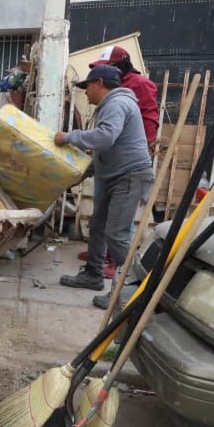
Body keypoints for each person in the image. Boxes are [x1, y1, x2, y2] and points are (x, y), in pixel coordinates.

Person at [55, 65, 153, 308]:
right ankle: (93, 275)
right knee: (98, 226)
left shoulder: (117, 103)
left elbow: (105, 137)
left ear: (98, 83)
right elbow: (106, 148)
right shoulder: (111, 105)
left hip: (129, 176)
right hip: (115, 175)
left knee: (117, 235)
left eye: (87, 86)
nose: (86, 92)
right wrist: (82, 173)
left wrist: (69, 137)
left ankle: (128, 291)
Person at [89, 45, 159, 148]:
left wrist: (143, 146)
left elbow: (149, 117)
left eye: (108, 67)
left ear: (120, 66)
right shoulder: (112, 83)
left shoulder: (140, 83)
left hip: (130, 147)